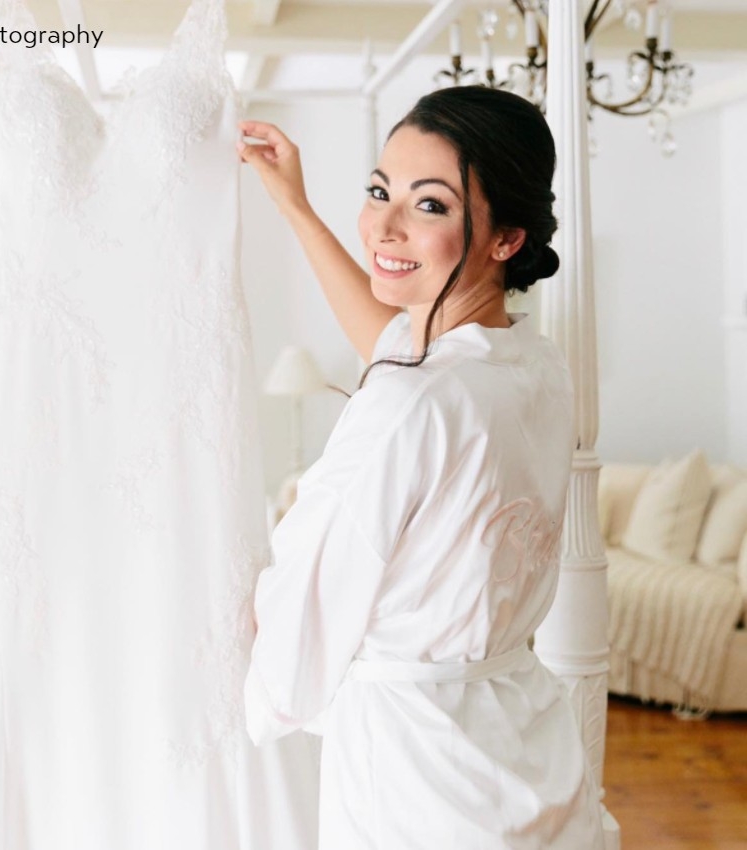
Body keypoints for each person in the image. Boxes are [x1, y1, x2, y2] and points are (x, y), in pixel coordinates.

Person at [238, 86, 606, 849]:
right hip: (521, 744)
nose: (384, 224)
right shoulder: (530, 366)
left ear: (505, 237)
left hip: (417, 773)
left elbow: (309, 611)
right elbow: (399, 343)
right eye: (380, 191)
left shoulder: (410, 405)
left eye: (429, 205)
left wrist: (259, 672)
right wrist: (298, 209)